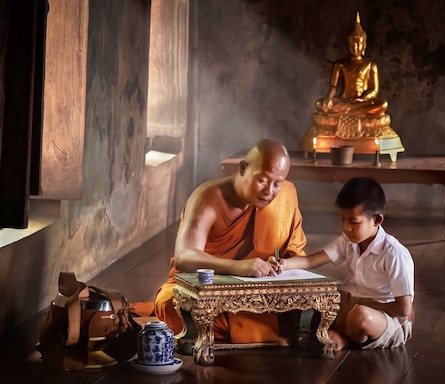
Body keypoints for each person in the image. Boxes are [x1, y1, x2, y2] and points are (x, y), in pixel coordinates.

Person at [154, 139, 307, 343]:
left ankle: (248, 328)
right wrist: (237, 267)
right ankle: (263, 330)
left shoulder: (286, 195)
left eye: (277, 183)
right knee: (173, 306)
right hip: (207, 287)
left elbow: (293, 253)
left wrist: (279, 266)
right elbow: (184, 256)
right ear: (243, 168)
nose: (269, 191)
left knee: (301, 305)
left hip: (259, 288)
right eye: (262, 180)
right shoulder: (209, 197)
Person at [269, 177, 414, 350]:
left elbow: (404, 310)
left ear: (376, 220)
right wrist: (282, 264)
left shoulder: (394, 253)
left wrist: (359, 306)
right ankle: (338, 337)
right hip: (356, 304)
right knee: (322, 295)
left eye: (354, 222)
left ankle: (340, 338)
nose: (346, 227)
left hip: (386, 319)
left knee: (360, 317)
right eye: (342, 219)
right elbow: (310, 260)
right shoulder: (348, 241)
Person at [316, 13, 388, 117]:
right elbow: (333, 86)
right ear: (348, 44)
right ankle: (354, 111)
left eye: (358, 44)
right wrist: (328, 99)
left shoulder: (370, 64)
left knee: (383, 104)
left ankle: (348, 111)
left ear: (364, 45)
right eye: (352, 44)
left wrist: (363, 99)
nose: (355, 47)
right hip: (344, 100)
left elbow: (374, 90)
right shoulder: (340, 64)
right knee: (319, 104)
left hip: (362, 102)